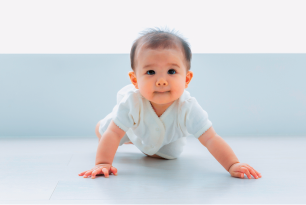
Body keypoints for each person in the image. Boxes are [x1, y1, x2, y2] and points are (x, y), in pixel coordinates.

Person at [78, 27, 262, 180]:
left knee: (165, 156)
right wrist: (103, 163)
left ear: (187, 78)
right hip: (132, 128)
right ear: (134, 80)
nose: (161, 81)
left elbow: (211, 139)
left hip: (168, 142)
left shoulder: (188, 107)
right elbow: (113, 133)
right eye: (151, 72)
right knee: (105, 131)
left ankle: (139, 142)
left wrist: (233, 164)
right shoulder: (132, 102)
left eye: (171, 71)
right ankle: (128, 137)